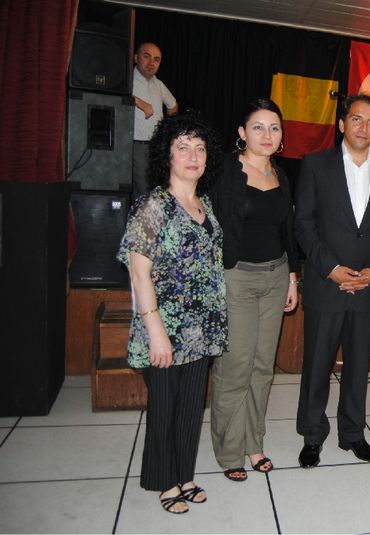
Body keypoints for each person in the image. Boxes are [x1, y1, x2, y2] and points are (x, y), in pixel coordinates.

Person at [117, 113, 226, 513]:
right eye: (183, 148)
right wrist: (156, 332)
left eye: (200, 148)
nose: (193, 156)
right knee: (164, 407)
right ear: (167, 155)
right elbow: (139, 273)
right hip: (165, 326)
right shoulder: (154, 206)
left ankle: (184, 474)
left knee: (190, 407)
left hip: (202, 328)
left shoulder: (203, 204)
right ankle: (164, 481)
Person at [294, 94, 370, 468]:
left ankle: (353, 433)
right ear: (342, 124)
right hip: (326, 281)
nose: (364, 127)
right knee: (317, 364)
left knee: (359, 366)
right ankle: (312, 434)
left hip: (368, 284)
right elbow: (304, 224)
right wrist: (330, 267)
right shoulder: (316, 165)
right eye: (357, 119)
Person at [209, 99, 299, 482]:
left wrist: (292, 277)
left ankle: (253, 441)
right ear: (242, 133)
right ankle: (230, 450)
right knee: (235, 367)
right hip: (237, 278)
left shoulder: (281, 174)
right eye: (258, 127)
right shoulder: (223, 171)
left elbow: (287, 231)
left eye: (274, 128)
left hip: (275, 277)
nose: (267, 135)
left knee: (263, 367)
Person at [132, 42, 179, 199]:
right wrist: (137, 101)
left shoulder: (158, 84)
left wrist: (167, 129)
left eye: (156, 59)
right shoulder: (127, 79)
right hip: (136, 144)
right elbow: (114, 96)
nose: (151, 62)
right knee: (145, 192)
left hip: (156, 146)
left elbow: (173, 105)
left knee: (156, 189)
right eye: (147, 56)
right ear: (136, 58)